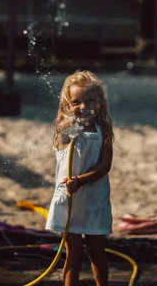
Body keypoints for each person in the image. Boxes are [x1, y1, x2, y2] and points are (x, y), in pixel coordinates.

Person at [46, 70, 114, 286]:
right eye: (76, 102)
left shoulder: (103, 130)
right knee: (72, 257)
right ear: (68, 106)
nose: (83, 107)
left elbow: (105, 166)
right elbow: (61, 142)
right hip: (71, 201)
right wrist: (69, 125)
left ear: (100, 103)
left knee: (97, 253)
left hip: (94, 200)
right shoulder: (66, 129)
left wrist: (81, 181)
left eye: (90, 100)